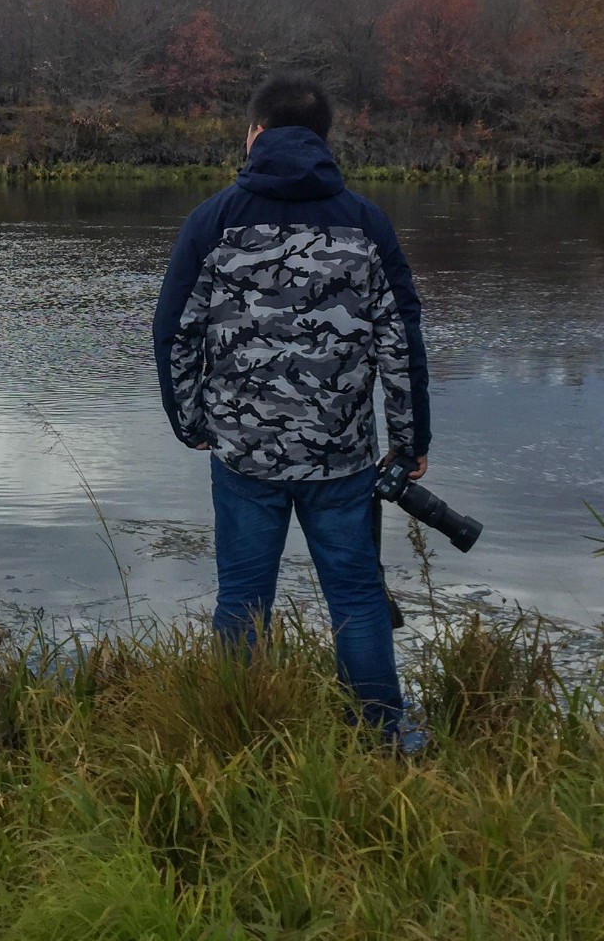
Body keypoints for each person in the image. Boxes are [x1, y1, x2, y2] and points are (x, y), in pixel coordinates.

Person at [151, 72, 430, 738]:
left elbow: (174, 330)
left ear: (254, 135)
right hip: (342, 458)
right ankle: (383, 735)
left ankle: (236, 733)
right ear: (323, 139)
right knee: (357, 597)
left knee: (243, 600)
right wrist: (410, 439)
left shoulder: (212, 221)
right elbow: (401, 337)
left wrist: (189, 420)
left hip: (244, 455)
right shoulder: (366, 224)